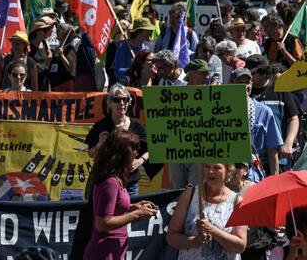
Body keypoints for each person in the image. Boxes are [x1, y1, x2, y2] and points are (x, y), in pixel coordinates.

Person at [86, 130, 158, 260]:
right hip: (104, 251)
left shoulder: (115, 179)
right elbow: (102, 223)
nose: (136, 153)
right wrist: (136, 214)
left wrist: (133, 206)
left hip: (113, 249)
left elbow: (113, 208)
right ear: (121, 152)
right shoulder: (111, 182)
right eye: (134, 148)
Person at [165, 162, 247, 260]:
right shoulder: (189, 195)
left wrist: (212, 229)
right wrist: (194, 241)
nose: (210, 171)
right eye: (207, 166)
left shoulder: (236, 201)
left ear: (228, 172)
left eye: (217, 167)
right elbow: (171, 237)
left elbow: (240, 246)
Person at [86, 85, 150, 195]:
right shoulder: (101, 125)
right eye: (117, 100)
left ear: (129, 102)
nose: (121, 103)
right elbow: (90, 153)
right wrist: (99, 144)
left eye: (125, 99)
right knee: (107, 212)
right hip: (105, 181)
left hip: (130, 183)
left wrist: (140, 161)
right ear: (109, 103)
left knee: (131, 212)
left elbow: (152, 148)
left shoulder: (137, 126)